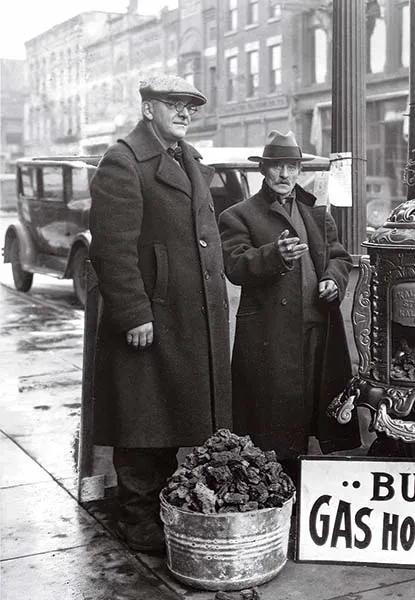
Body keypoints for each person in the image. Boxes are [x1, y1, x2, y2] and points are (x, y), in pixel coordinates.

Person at [88, 75, 232, 553]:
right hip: (151, 319)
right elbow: (113, 249)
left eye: (191, 106)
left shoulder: (186, 159)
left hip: (186, 318)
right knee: (142, 420)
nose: (186, 113)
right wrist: (133, 314)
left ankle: (158, 511)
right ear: (148, 109)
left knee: (168, 416)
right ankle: (137, 519)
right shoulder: (124, 161)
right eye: (174, 104)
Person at [218, 130, 361, 482]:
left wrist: (332, 279)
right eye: (277, 166)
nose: (284, 175)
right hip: (271, 336)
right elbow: (235, 266)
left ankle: (308, 492)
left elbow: (339, 257)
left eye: (292, 166)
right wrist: (273, 255)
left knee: (316, 412)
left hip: (318, 332)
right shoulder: (239, 215)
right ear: (263, 170)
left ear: (300, 171)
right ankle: (278, 490)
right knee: (274, 425)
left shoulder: (316, 214)